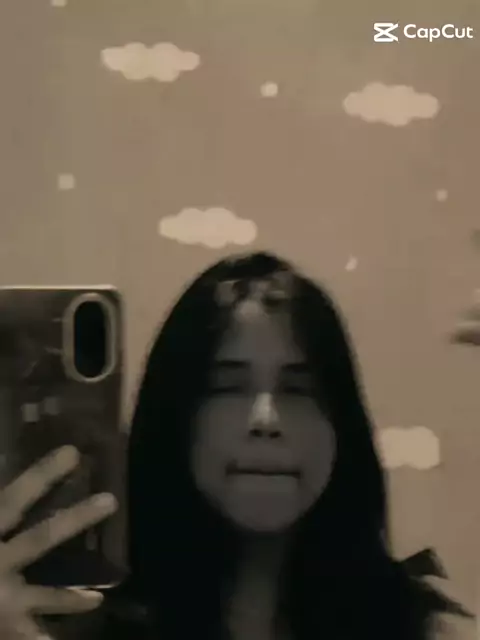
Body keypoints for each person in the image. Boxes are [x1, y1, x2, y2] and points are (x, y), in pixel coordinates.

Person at [0, 252, 469, 640]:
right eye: (226, 387)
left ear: (341, 425)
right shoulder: (67, 625)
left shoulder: (423, 629)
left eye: (299, 388)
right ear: (176, 416)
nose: (265, 420)